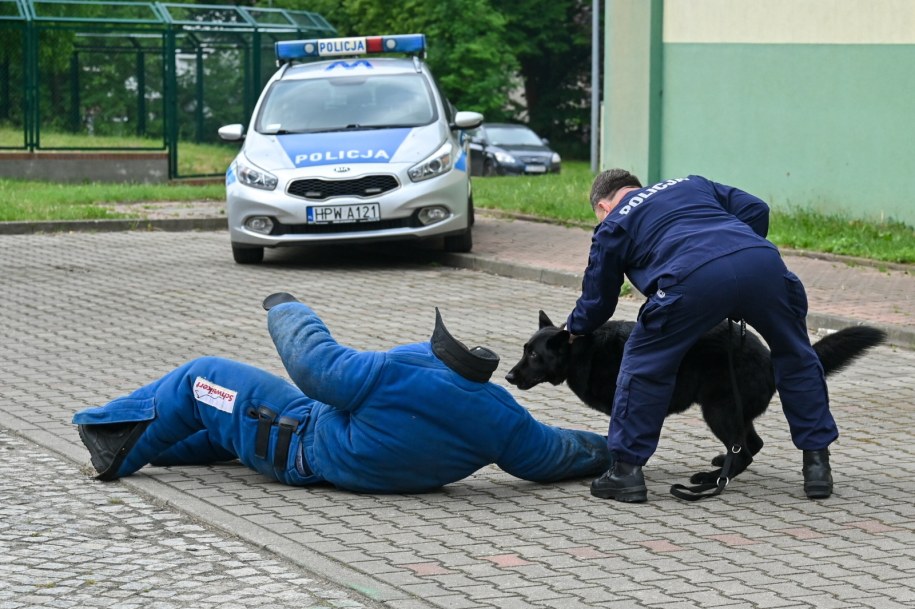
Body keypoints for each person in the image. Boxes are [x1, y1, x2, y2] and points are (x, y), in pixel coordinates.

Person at [73, 294, 610, 493]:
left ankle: (111, 439)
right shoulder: (503, 418)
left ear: (444, 357)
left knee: (199, 380)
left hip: (297, 444)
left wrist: (286, 306)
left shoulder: (405, 373)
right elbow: (556, 452)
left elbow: (314, 362)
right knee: (220, 422)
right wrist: (618, 446)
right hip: (315, 447)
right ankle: (164, 452)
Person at [566, 169, 836, 503]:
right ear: (636, 187)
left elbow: (598, 303)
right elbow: (757, 210)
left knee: (644, 366)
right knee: (796, 356)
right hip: (762, 266)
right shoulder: (690, 184)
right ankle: (817, 466)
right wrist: (736, 266)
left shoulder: (614, 223)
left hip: (690, 281)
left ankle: (625, 474)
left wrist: (574, 329)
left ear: (604, 206)